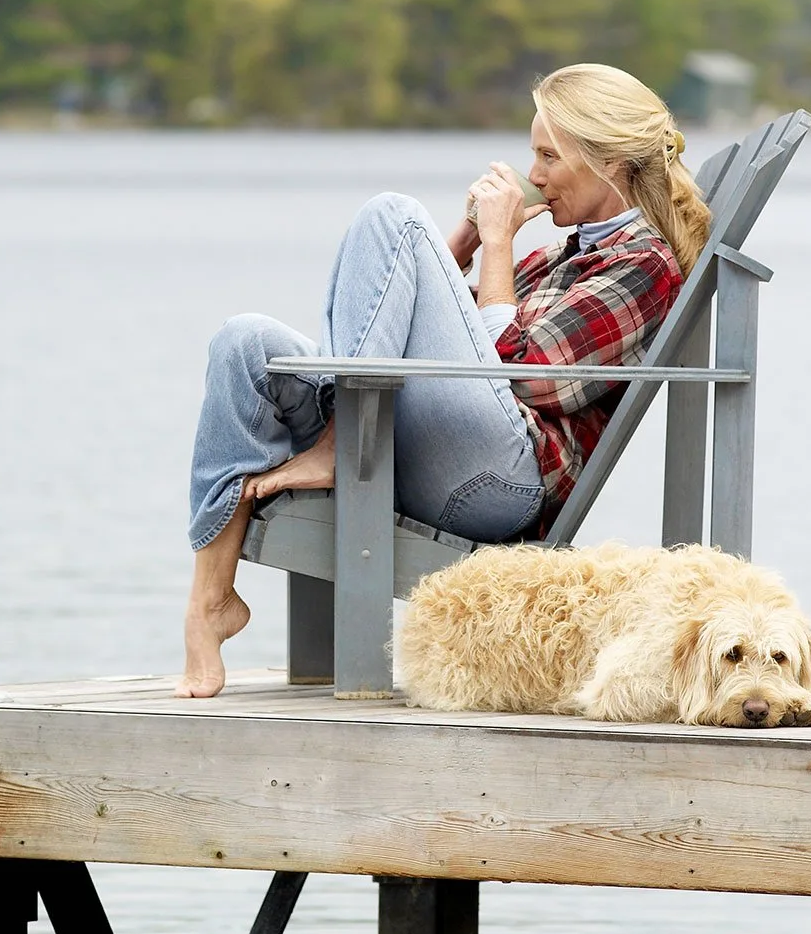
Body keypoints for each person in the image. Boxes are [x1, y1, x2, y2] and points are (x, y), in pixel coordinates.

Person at [178, 63, 712, 698]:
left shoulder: (641, 266)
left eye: (548, 156)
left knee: (394, 215)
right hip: (450, 449)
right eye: (532, 154)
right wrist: (462, 242)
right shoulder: (566, 255)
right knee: (246, 343)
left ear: (611, 164)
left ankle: (340, 441)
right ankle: (211, 602)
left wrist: (496, 245)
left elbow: (519, 375)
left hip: (503, 484)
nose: (534, 175)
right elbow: (419, 323)